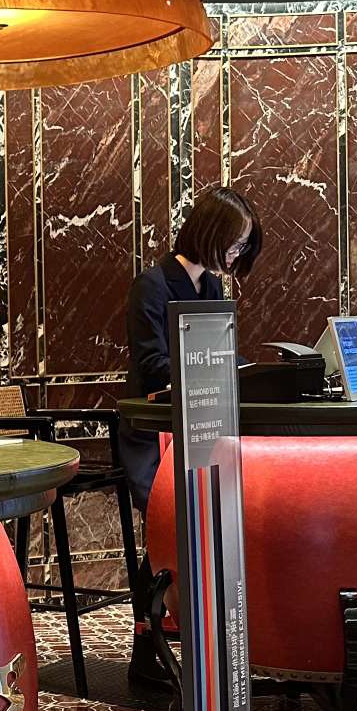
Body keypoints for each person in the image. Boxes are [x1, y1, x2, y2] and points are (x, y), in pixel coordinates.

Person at [118, 186, 263, 505]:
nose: (237, 253)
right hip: (154, 427)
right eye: (235, 243)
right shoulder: (151, 286)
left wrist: (250, 371)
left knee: (226, 502)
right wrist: (214, 369)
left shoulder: (211, 285)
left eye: (242, 246)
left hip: (202, 422)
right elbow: (152, 365)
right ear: (211, 233)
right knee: (174, 512)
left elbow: (220, 352)